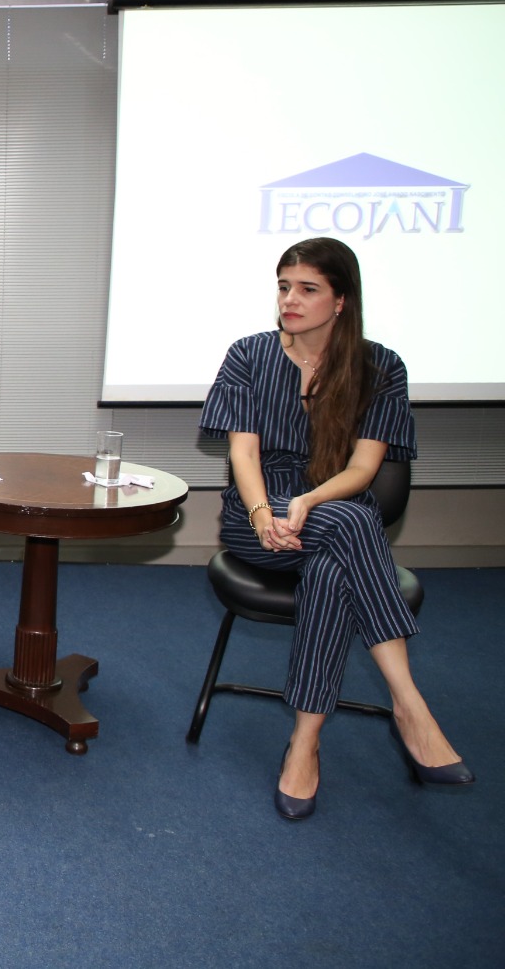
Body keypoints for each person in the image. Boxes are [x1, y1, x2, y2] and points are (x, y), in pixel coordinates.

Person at [199, 236, 473, 820]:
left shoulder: (381, 367)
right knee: (349, 526)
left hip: (330, 511)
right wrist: (265, 513)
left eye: (307, 289)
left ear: (341, 300)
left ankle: (305, 742)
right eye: (283, 286)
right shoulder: (249, 355)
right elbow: (244, 458)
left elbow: (363, 470)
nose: (289, 300)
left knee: (330, 567)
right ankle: (409, 705)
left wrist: (308, 501)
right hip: (258, 519)